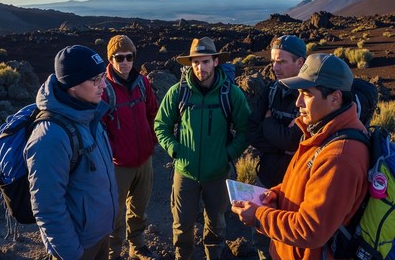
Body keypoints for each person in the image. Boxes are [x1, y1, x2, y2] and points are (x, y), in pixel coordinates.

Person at [231, 53, 370, 260]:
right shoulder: (320, 133)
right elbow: (305, 188)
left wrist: (259, 216)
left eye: (306, 94)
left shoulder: (340, 156)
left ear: (335, 98)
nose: (298, 103)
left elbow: (310, 229)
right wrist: (277, 194)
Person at [154, 37, 251, 260]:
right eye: (196, 62)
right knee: (182, 225)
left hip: (217, 174)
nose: (200, 68)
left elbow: (246, 129)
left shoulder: (230, 94)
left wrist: (228, 154)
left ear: (216, 62)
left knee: (216, 224)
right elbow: (161, 125)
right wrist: (175, 150)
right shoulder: (179, 92)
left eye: (205, 61)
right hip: (184, 173)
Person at [24, 45, 118, 260]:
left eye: (103, 76)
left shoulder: (89, 114)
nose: (103, 84)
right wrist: (71, 254)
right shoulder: (50, 136)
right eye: (95, 79)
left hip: (99, 236)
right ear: (72, 85)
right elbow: (47, 207)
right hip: (78, 247)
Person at [248, 35, 306, 259]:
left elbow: (295, 140)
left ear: (300, 62)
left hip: (296, 190)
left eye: (281, 62)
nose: (275, 67)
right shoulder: (271, 90)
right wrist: (281, 147)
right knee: (263, 238)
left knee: (291, 243)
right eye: (273, 61)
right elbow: (252, 131)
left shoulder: (308, 95)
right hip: (267, 181)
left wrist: (269, 123)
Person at [103, 35, 159, 260]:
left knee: (139, 209)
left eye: (129, 57)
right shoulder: (104, 89)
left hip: (144, 160)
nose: (125, 62)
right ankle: (113, 253)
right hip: (119, 165)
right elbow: (100, 129)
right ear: (111, 58)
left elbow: (153, 114)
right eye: (119, 57)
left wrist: (151, 141)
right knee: (115, 214)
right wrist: (113, 154)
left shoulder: (142, 83)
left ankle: (138, 248)